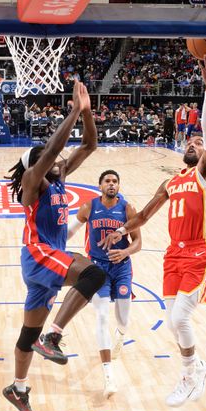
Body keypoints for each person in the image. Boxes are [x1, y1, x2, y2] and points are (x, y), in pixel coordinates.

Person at [102, 53, 206, 408]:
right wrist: (121, 229)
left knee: (181, 317)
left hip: (200, 251)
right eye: (190, 142)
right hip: (173, 254)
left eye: (198, 144)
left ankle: (190, 373)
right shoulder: (172, 181)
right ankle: (197, 366)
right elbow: (146, 215)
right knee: (172, 320)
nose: (193, 144)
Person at [2, 81, 103, 411]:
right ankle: (54, 336)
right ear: (37, 163)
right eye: (51, 157)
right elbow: (47, 156)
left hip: (47, 263)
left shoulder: (58, 179)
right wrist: (72, 111)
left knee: (27, 334)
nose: (59, 159)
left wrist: (87, 113)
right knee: (93, 273)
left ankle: (17, 388)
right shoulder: (33, 181)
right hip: (39, 255)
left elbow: (90, 144)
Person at [67, 169, 142, 398]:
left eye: (115, 181)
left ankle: (121, 333)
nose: (111, 184)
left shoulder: (127, 209)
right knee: (101, 316)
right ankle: (108, 374)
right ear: (99, 186)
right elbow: (70, 231)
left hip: (121, 267)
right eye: (107, 181)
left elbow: (138, 242)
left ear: (119, 186)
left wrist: (125, 251)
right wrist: (52, 240)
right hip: (98, 268)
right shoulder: (89, 207)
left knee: (122, 317)